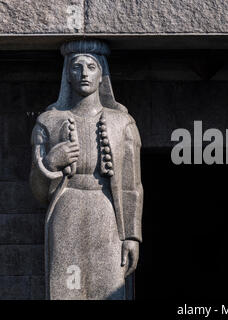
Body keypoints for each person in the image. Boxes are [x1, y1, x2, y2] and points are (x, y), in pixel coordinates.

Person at [30, 40, 143, 300]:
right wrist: (50, 163)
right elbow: (37, 191)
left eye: (91, 67)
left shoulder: (122, 123)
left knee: (109, 287)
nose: (84, 74)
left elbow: (131, 185)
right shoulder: (48, 122)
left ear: (102, 74)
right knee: (66, 287)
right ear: (66, 75)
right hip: (66, 208)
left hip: (106, 211)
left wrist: (131, 236)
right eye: (76, 67)